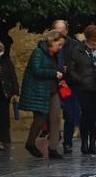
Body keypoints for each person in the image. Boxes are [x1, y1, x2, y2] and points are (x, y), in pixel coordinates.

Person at [66, 24, 96, 155]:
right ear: (87, 38)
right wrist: (80, 80)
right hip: (83, 88)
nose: (94, 43)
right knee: (86, 116)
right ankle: (84, 142)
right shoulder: (78, 50)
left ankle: (93, 143)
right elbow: (71, 69)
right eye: (92, 40)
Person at [21, 30, 66, 159]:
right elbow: (36, 70)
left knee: (55, 118)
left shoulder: (53, 55)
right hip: (40, 90)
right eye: (59, 44)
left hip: (53, 89)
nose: (60, 47)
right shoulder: (38, 52)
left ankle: (53, 148)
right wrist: (53, 73)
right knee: (39, 120)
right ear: (52, 41)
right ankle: (30, 143)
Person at [52, 19, 82, 154]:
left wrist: (67, 70)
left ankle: (67, 142)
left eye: (62, 30)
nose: (60, 33)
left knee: (70, 114)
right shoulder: (48, 44)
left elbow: (78, 65)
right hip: (52, 83)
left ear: (66, 31)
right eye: (57, 30)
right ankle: (53, 137)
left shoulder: (75, 45)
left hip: (69, 84)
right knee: (51, 114)